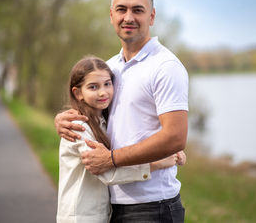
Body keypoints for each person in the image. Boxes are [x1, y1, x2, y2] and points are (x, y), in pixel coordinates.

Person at [55, 0, 189, 222]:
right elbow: (94, 111)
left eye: (138, 10)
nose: (129, 17)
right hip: (111, 205)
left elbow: (176, 137)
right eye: (121, 9)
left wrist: (112, 159)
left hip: (152, 206)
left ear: (152, 16)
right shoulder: (110, 68)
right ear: (111, 15)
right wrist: (62, 119)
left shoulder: (165, 67)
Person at [57, 56, 185, 223]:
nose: (103, 92)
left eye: (107, 84)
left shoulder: (102, 122)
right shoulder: (79, 127)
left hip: (99, 214)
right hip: (80, 217)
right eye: (93, 87)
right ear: (78, 93)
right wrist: (158, 163)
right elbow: (106, 172)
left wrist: (169, 148)